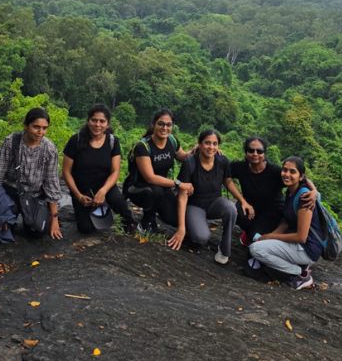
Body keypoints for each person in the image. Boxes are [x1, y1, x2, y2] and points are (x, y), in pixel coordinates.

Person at [167, 129, 248, 265]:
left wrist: (243, 201)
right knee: (201, 238)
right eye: (207, 143)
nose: (211, 147)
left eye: (215, 144)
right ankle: (193, 224)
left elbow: (228, 182)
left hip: (214, 204)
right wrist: (181, 228)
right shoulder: (190, 163)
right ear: (199, 144)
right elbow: (182, 195)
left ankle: (224, 249)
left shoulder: (222, 161)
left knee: (231, 209)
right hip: (195, 206)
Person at [0, 107, 62, 239]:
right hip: (10, 194)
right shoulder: (11, 142)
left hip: (34, 196)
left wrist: (54, 219)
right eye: (36, 127)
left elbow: (51, 183)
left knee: (37, 232)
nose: (40, 132)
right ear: (26, 126)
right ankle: (8, 218)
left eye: (44, 128)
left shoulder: (49, 149)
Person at [249, 156, 323, 290]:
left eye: (292, 171)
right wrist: (267, 238)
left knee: (256, 249)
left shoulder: (304, 198)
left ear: (301, 176)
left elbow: (301, 237)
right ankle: (299, 264)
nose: (287, 174)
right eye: (284, 170)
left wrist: (270, 237)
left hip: (307, 249)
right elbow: (286, 223)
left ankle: (300, 273)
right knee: (260, 240)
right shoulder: (291, 192)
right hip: (300, 246)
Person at [62, 104, 136, 234]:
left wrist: (103, 191)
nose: (97, 125)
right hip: (82, 190)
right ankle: (89, 209)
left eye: (102, 121)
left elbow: (115, 171)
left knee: (120, 203)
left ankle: (129, 222)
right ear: (88, 121)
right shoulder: (76, 140)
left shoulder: (112, 141)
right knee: (86, 229)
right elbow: (66, 172)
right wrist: (78, 196)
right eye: (94, 120)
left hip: (105, 186)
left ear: (107, 124)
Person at [230, 137, 317, 246]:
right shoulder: (240, 167)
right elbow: (223, 172)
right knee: (237, 213)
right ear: (246, 152)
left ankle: (254, 232)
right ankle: (249, 231)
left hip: (272, 211)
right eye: (251, 150)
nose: (255, 154)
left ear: (264, 153)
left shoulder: (275, 171)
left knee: (256, 237)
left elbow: (301, 178)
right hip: (250, 206)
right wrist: (242, 201)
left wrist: (314, 191)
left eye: (259, 151)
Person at [126, 108, 193, 233]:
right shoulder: (143, 146)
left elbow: (184, 157)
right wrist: (179, 184)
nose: (164, 128)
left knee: (173, 219)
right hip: (138, 188)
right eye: (161, 124)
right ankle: (146, 223)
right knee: (155, 191)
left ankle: (156, 213)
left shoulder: (172, 141)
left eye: (168, 125)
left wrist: (202, 148)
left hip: (163, 188)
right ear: (154, 124)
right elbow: (150, 178)